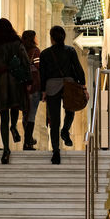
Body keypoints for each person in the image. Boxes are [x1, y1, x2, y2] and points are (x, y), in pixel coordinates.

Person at [0, 18, 31, 164]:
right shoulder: (17, 43)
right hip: (16, 80)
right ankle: (14, 126)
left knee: (4, 114)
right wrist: (28, 79)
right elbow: (25, 61)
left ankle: (6, 150)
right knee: (15, 106)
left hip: (1, 81)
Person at [39, 26, 87, 164]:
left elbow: (42, 74)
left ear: (51, 38)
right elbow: (78, 69)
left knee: (54, 120)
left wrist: (43, 91)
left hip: (52, 86)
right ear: (64, 37)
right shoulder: (70, 51)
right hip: (69, 85)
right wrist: (83, 86)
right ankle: (65, 130)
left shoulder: (45, 54)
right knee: (70, 110)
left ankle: (56, 151)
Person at [21, 30, 42, 151]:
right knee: (31, 115)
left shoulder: (20, 50)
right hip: (34, 86)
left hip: (22, 87)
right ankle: (27, 142)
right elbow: (39, 68)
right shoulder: (35, 51)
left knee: (25, 114)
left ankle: (28, 139)